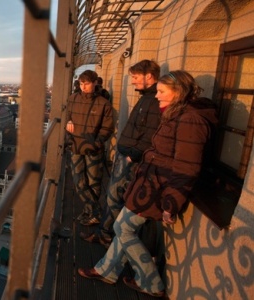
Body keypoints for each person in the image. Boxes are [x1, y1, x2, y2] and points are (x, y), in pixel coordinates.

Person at [77, 70, 218, 298]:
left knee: (122, 227)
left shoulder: (189, 119)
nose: (157, 95)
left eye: (162, 91)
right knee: (124, 227)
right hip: (150, 184)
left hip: (158, 188)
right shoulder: (177, 114)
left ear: (178, 92)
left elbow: (186, 166)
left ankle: (151, 283)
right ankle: (107, 270)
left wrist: (171, 201)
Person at [81, 60, 161, 247]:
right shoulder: (148, 97)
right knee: (114, 196)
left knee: (114, 196)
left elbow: (151, 133)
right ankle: (107, 234)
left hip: (131, 157)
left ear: (148, 76)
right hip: (128, 155)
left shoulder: (154, 100)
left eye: (134, 77)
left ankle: (110, 236)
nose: (132, 81)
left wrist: (132, 155)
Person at [65, 70, 114, 226]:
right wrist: (68, 122)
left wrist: (96, 144)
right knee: (78, 180)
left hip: (93, 148)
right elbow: (67, 117)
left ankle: (89, 212)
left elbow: (107, 128)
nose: (83, 86)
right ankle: (95, 211)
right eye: (81, 83)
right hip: (76, 145)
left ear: (95, 83)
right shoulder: (72, 99)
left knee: (94, 182)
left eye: (86, 83)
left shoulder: (103, 103)